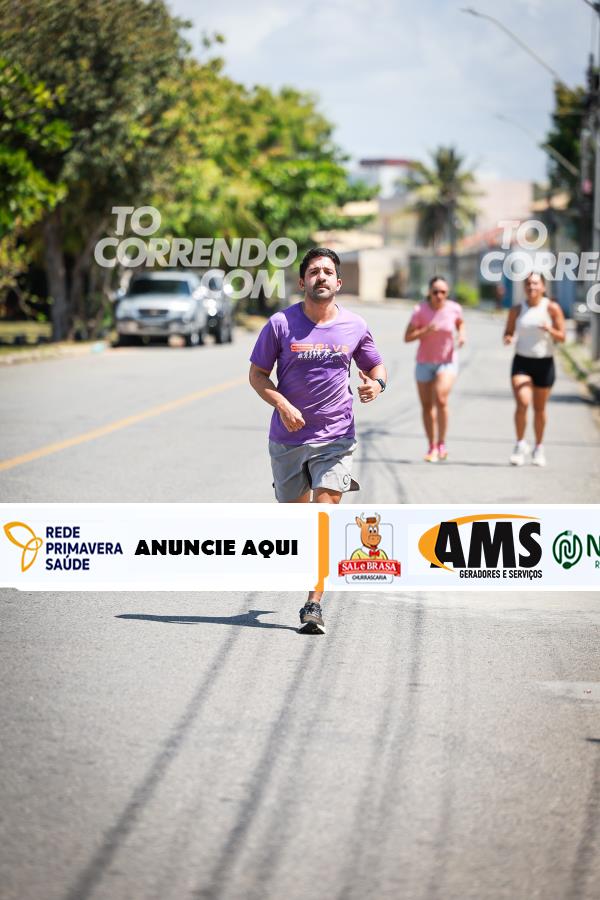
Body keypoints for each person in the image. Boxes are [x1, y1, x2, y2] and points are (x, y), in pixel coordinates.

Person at [249, 247, 387, 634]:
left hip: (335, 437)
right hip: (289, 439)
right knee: (301, 527)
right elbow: (257, 374)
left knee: (322, 522)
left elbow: (375, 366)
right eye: (313, 271)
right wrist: (281, 404)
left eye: (327, 271)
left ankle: (313, 603)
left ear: (338, 283)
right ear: (302, 282)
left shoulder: (355, 326)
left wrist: (377, 385)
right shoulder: (280, 324)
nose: (321, 276)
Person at [503, 272, 565, 467]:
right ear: (524, 287)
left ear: (543, 287)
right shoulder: (516, 309)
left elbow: (562, 337)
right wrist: (508, 338)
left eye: (536, 283)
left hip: (544, 363)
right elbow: (508, 332)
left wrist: (550, 329)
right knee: (522, 402)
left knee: (539, 409)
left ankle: (538, 447)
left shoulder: (551, 308)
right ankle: (520, 444)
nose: (532, 287)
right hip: (522, 362)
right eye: (529, 284)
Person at [404, 276, 465, 462]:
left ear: (447, 293)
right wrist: (425, 331)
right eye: (435, 292)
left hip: (447, 361)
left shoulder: (454, 308)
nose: (439, 295)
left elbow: (460, 323)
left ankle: (442, 443)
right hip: (424, 362)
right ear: (429, 292)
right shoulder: (420, 310)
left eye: (443, 292)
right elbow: (407, 337)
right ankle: (432, 446)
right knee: (427, 406)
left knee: (441, 398)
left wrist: (462, 335)